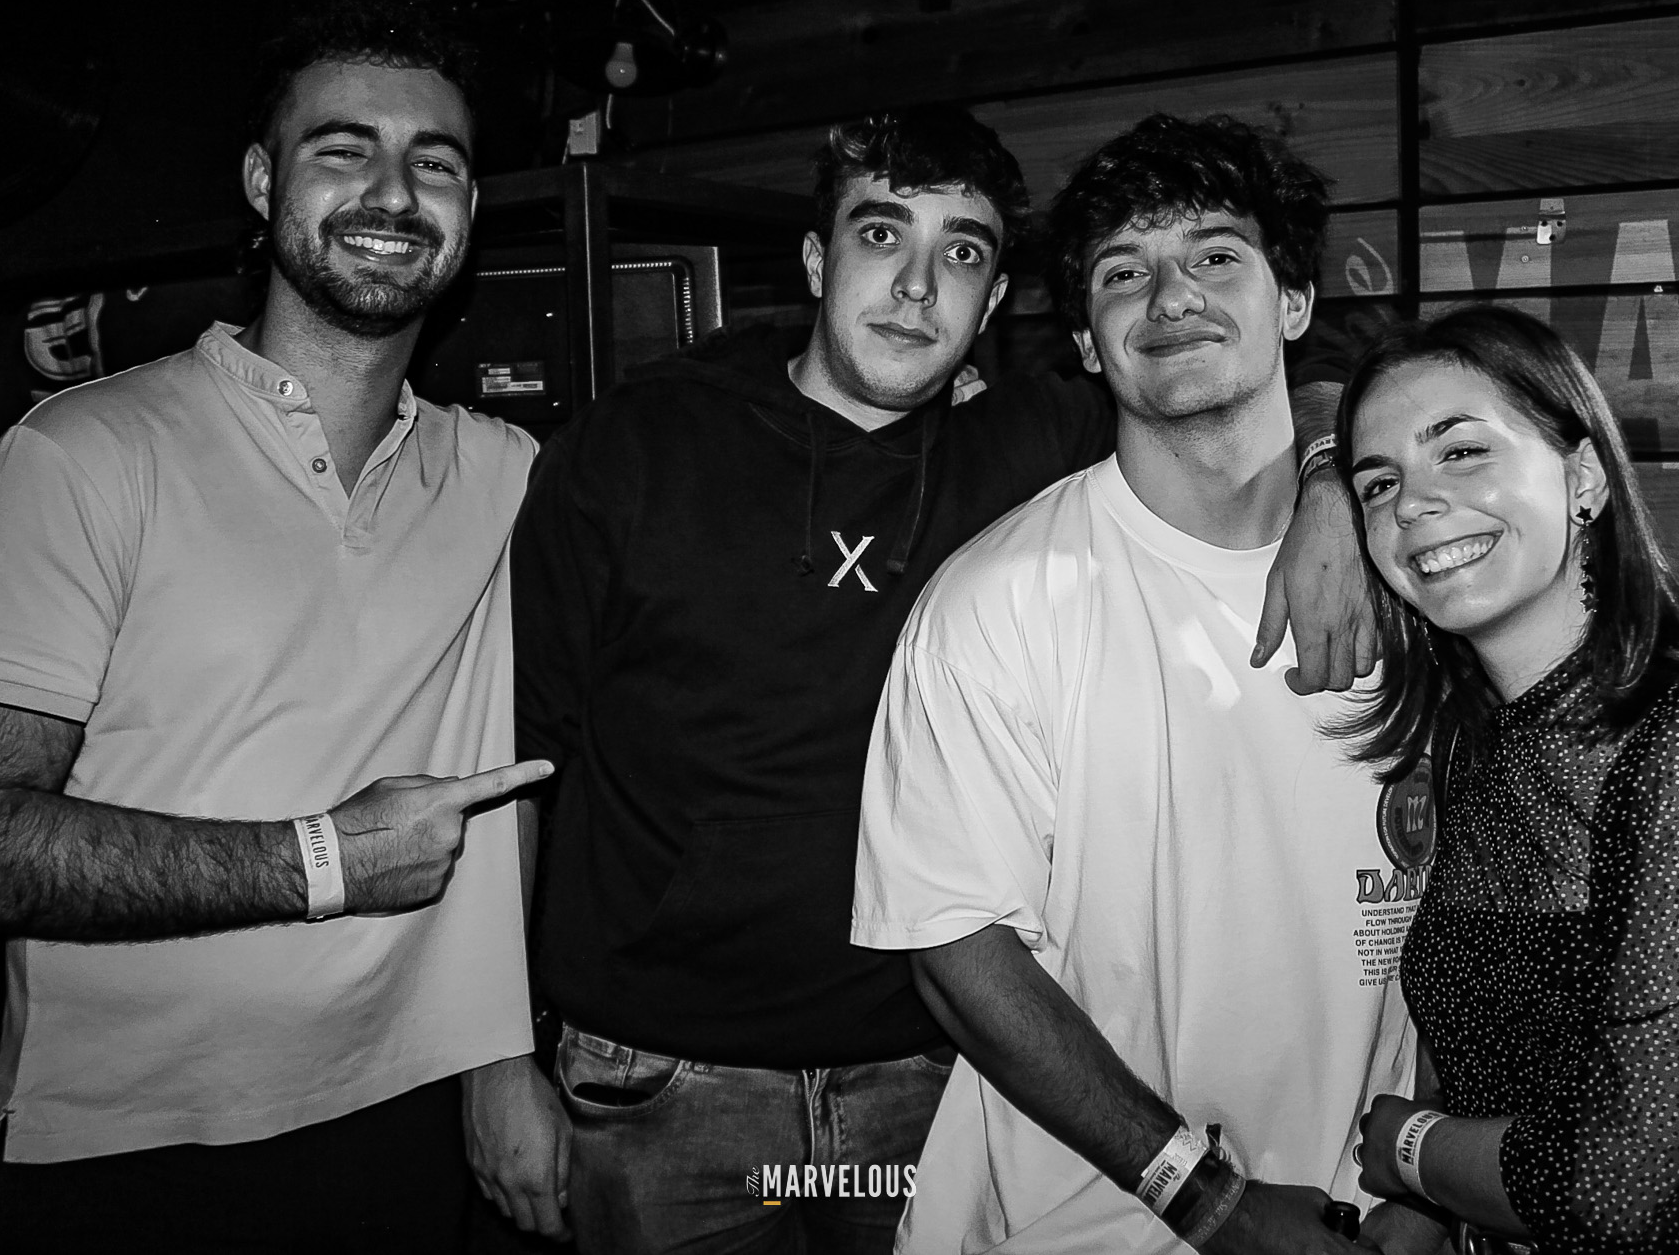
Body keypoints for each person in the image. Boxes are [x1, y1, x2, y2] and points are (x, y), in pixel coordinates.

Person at [512, 106, 1375, 1254]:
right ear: (815, 258)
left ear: (995, 298)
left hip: (923, 1084)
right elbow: (516, 761)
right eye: (880, 236)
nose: (916, 287)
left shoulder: (1025, 440)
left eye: (959, 252)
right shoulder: (634, 447)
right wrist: (491, 1058)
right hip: (659, 1087)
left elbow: (1276, 368)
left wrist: (1334, 483)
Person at [0, 0, 562, 1254]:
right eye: (342, 149)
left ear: (471, 211)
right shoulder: (82, 455)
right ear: (263, 184)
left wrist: (499, 1054)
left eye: (434, 163)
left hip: (406, 1125)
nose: (393, 191)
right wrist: (323, 861)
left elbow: (514, 773)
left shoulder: (505, 475)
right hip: (129, 1151)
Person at [849, 112, 1436, 1255]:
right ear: (1083, 340)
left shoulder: (1420, 577)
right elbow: (957, 956)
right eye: (1124, 273)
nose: (1171, 296)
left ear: (1294, 304)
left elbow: (1475, 899)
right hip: (1084, 1228)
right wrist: (1204, 1199)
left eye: (1215, 255)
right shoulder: (995, 605)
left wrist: (1424, 1182)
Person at [1338, 306, 1679, 1254]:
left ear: (1582, 480)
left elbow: (1631, 1190)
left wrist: (1412, 1152)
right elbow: (1493, 1044)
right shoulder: (1484, 747)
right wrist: (1424, 1213)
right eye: (1379, 483)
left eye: (1461, 451)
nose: (1412, 504)